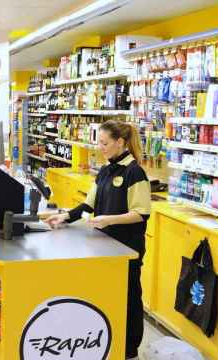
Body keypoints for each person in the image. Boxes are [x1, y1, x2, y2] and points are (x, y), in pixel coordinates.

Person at [44, 120, 151, 360]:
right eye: (98, 142)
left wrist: (109, 220)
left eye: (104, 143)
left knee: (129, 296)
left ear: (120, 142)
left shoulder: (134, 172)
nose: (100, 147)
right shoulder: (105, 170)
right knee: (109, 294)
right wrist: (65, 216)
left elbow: (141, 214)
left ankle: (129, 349)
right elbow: (88, 205)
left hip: (128, 249)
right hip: (104, 246)